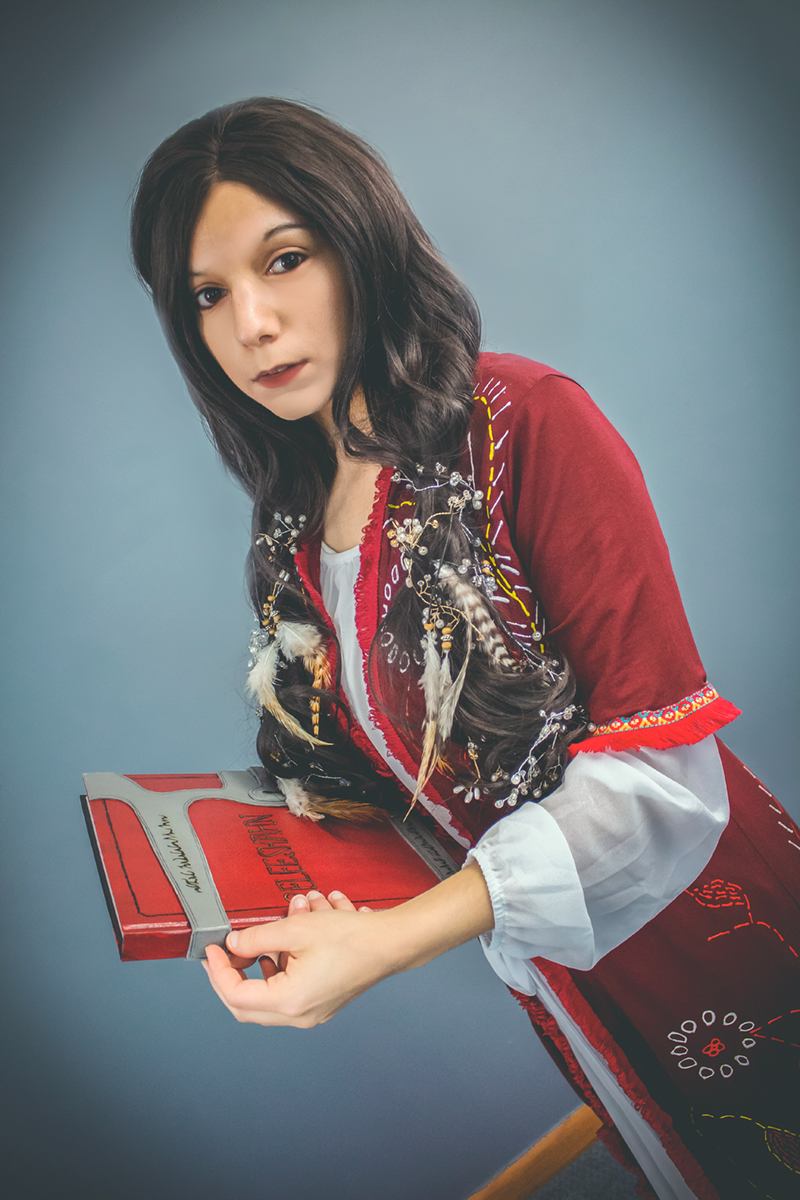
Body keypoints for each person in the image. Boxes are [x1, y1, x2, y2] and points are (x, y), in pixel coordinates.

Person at [130, 98, 800, 1200]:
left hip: (710, 935)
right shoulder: (294, 516)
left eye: (285, 259)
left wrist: (390, 943)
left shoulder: (524, 420)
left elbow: (663, 781)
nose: (251, 321)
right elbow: (409, 798)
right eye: (207, 293)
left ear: (362, 240)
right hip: (562, 981)